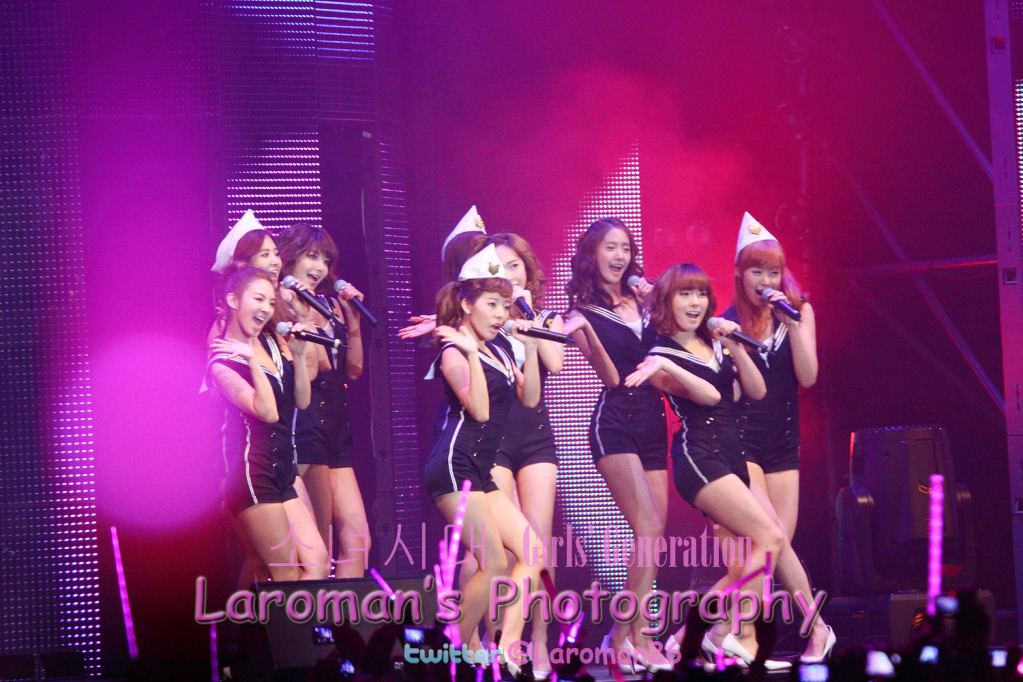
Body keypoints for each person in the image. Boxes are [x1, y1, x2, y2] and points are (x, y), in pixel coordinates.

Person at [625, 262, 792, 671]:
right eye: (684, 294)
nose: (695, 302)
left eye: (700, 293)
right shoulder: (658, 356)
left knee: (745, 563)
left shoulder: (715, 343)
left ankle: (692, 639)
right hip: (699, 459)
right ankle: (729, 634)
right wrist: (668, 365)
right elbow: (709, 398)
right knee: (771, 537)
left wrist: (735, 346)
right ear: (667, 301)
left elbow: (755, 390)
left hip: (731, 456)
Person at [422, 245, 544, 673]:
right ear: (466, 304)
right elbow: (479, 410)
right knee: (492, 564)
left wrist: (530, 348)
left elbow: (530, 399)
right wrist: (472, 352)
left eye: (504, 306)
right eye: (491, 304)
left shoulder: (503, 349)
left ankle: (507, 648)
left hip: (480, 470)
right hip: (454, 467)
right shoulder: (453, 350)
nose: (500, 314)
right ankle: (447, 653)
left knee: (532, 553)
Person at [562, 217, 671, 673]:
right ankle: (638, 637)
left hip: (653, 420)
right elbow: (608, 376)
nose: (620, 256)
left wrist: (656, 303)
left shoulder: (645, 300)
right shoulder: (580, 313)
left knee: (654, 534)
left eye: (625, 247)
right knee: (646, 526)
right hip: (615, 422)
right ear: (592, 254)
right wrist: (584, 331)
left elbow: (676, 347)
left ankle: (624, 635)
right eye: (610, 247)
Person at [724, 212, 833, 661]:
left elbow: (808, 377)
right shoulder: (727, 322)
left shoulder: (799, 311)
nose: (766, 281)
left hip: (785, 443)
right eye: (757, 271)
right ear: (739, 273)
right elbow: (731, 394)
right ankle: (816, 629)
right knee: (769, 538)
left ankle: (713, 636)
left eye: (773, 272)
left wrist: (791, 323)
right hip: (743, 442)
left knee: (774, 549)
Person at [205, 266, 329, 581]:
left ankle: (279, 614)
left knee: (318, 564)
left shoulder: (273, 342)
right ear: (233, 300)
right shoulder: (222, 364)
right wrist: (251, 359)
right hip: (254, 473)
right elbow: (268, 412)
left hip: (282, 469)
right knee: (286, 576)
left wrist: (298, 355)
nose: (266, 309)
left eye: (271, 302)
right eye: (258, 299)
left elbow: (301, 400)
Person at [275, 222, 371, 578]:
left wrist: (353, 319)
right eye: (312, 257)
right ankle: (311, 614)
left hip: (337, 427)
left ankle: (346, 613)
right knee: (319, 542)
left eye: (326, 260)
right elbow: (314, 369)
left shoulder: (330, 304)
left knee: (358, 539)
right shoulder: (280, 305)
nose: (320, 267)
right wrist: (304, 317)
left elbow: (353, 369)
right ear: (290, 258)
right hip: (305, 424)